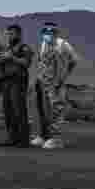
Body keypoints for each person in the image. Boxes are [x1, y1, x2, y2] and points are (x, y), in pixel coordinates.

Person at [31, 21, 79, 149]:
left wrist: (63, 77)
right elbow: (43, 62)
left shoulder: (63, 45)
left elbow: (74, 61)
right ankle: (43, 135)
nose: (48, 34)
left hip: (56, 82)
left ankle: (55, 138)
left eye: (51, 31)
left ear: (56, 32)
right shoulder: (44, 44)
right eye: (46, 32)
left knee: (55, 110)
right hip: (43, 80)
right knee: (42, 109)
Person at [0, 23, 34, 147]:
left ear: (19, 34)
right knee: (8, 110)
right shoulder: (5, 49)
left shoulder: (25, 48)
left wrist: (11, 57)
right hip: (6, 81)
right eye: (8, 33)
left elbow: (26, 63)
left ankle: (23, 139)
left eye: (12, 33)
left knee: (19, 110)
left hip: (18, 81)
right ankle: (12, 138)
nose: (10, 35)